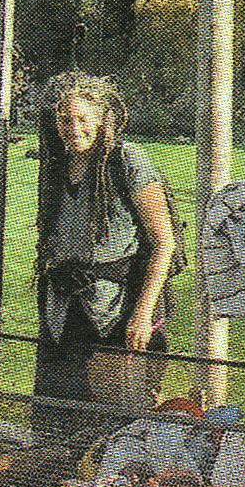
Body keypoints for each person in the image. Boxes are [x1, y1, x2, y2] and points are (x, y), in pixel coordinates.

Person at [32, 72, 177, 421]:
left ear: (101, 120)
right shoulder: (55, 165)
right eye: (65, 119)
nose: (73, 128)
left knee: (111, 419)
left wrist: (143, 313)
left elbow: (163, 242)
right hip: (62, 310)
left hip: (115, 310)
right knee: (53, 414)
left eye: (83, 119)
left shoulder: (126, 162)